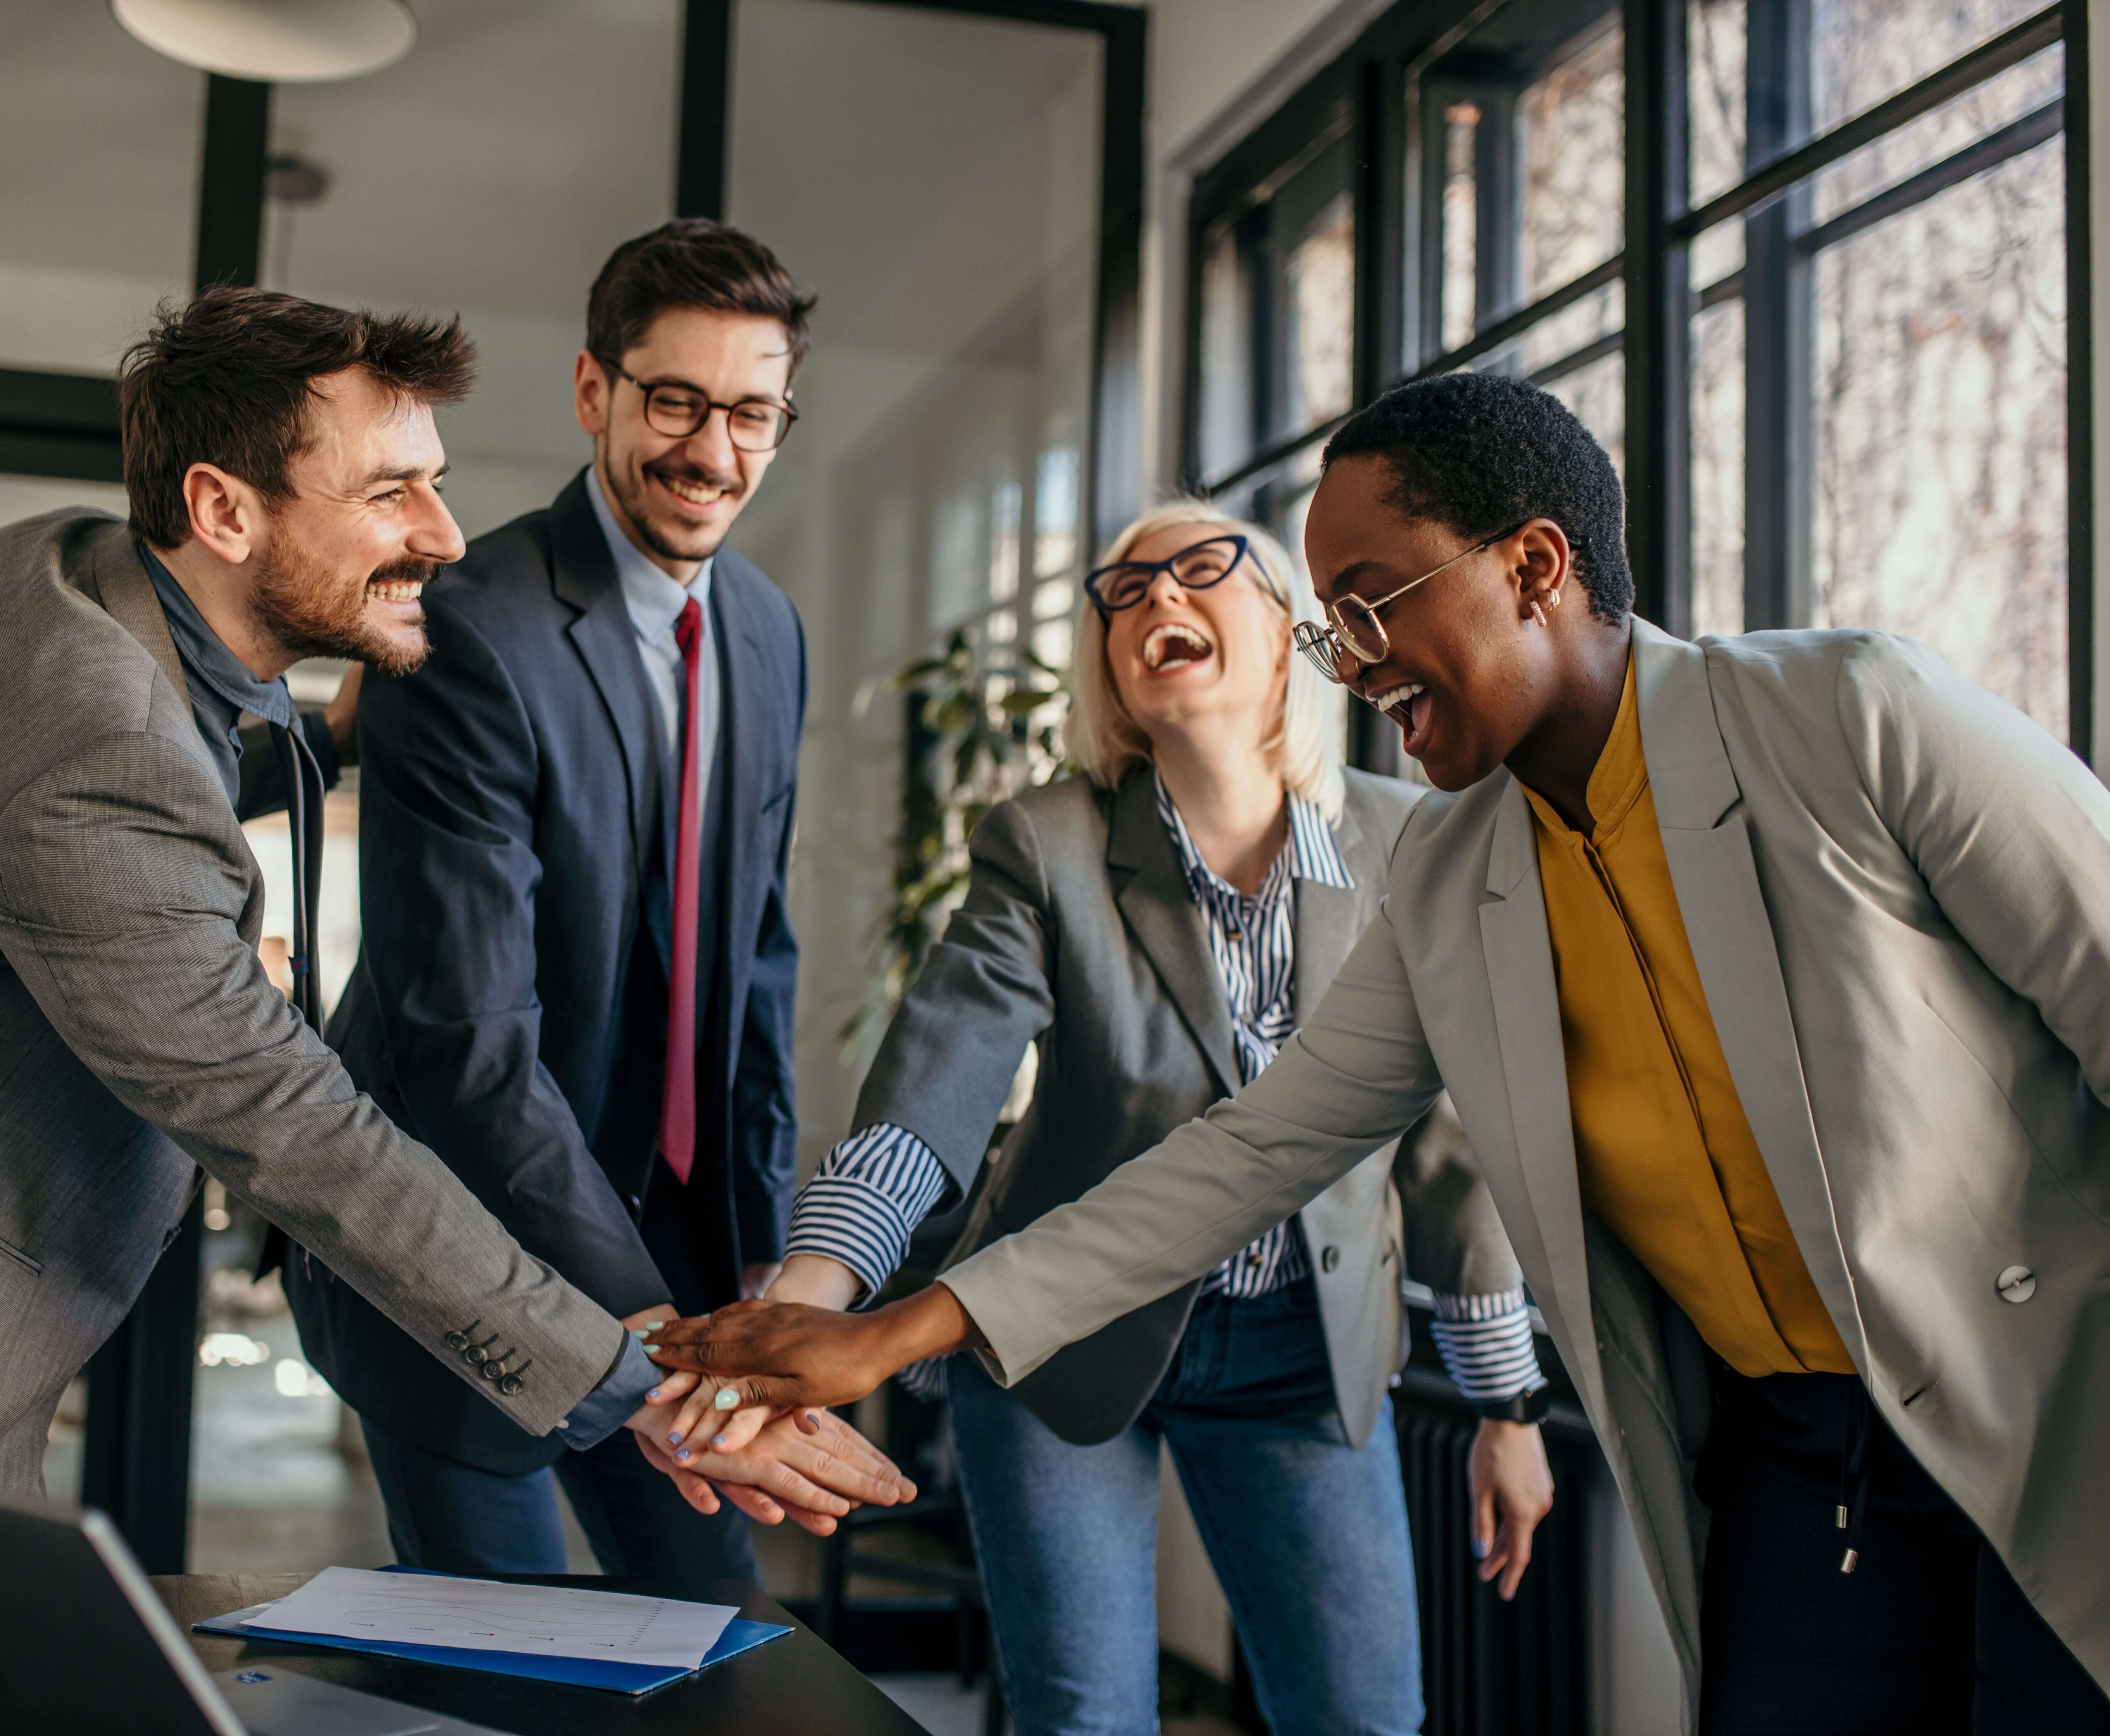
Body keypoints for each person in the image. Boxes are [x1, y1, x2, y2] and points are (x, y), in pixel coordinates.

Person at [649, 372, 2110, 1730]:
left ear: (1533, 567)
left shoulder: (1855, 716)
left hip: (2041, 1405)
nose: (1353, 662)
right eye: (1334, 621)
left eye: (1369, 604)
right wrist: (879, 1322)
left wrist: (1502, 1409)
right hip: (1798, 1457)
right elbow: (1248, 1148)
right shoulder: (1446, 869)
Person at [0, 286, 904, 1538]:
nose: (444, 537)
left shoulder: (69, 572)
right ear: (223, 509)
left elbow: (167, 758)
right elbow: (301, 1127)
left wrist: (325, 752)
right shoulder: (86, 743)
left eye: (436, 482)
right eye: (392, 495)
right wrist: (628, 1384)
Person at [699, 500, 1554, 1734]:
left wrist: (1506, 1410)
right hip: (1061, 1348)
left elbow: (1451, 1147)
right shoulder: (1047, 846)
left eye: (1202, 573)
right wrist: (810, 1303)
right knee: (1086, 1721)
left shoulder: (1406, 840)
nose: (1158, 599)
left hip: (1303, 1355)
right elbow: (932, 1088)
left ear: (1284, 631)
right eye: (1126, 589)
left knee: (1366, 1719)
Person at [279, 221, 837, 1580]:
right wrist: (641, 1333)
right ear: (596, 393)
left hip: (680, 1266)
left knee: (724, 1640)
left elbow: (754, 962)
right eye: (677, 402)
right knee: (508, 1669)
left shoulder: (766, 628)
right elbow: (465, 1038)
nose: (715, 451)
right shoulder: (463, 621)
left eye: (752, 412)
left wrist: (755, 1262)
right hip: (465, 1258)